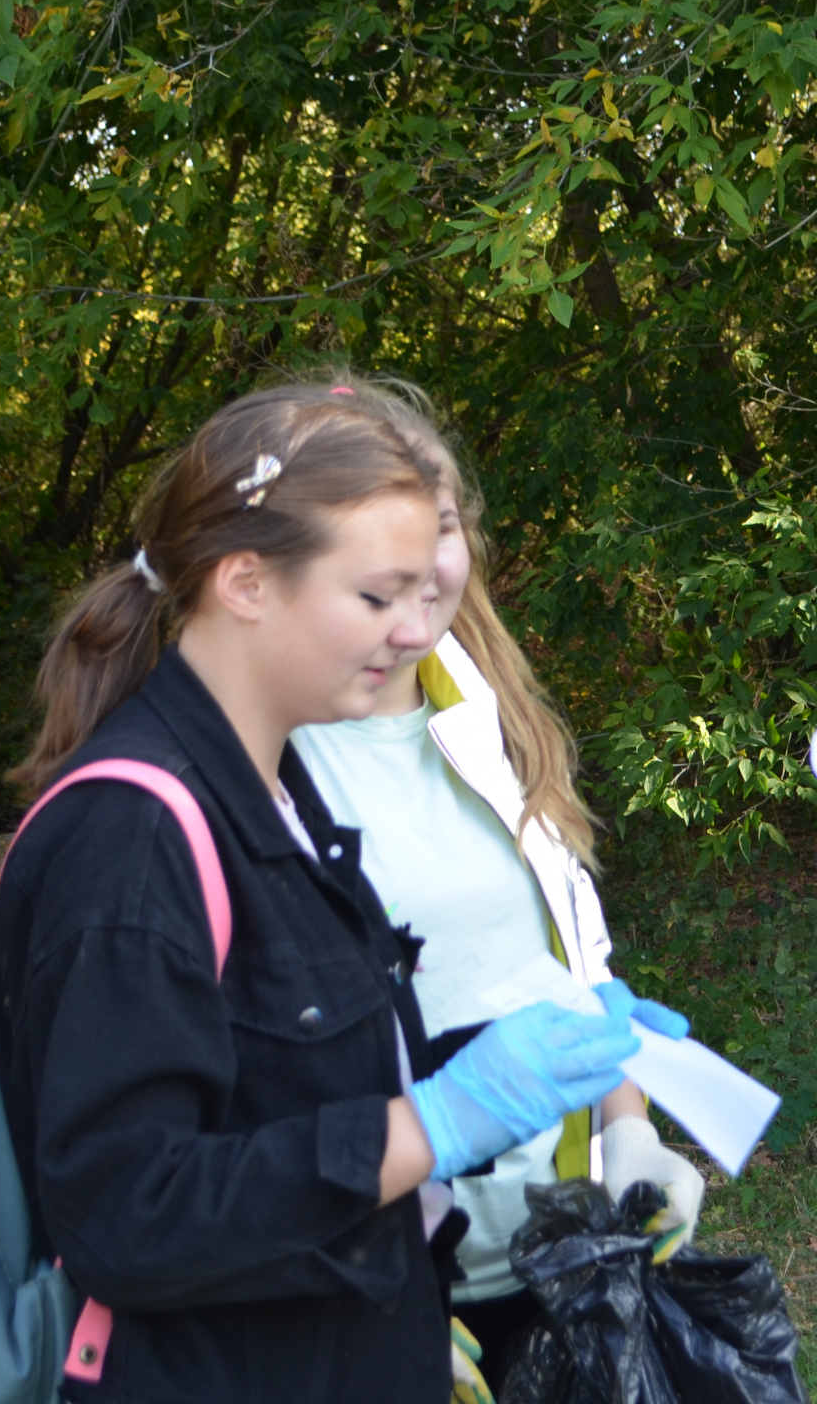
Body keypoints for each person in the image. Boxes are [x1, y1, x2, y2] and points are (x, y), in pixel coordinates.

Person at [0, 383, 680, 1404]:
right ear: (245, 582)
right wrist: (438, 1121)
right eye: (375, 598)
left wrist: (543, 1060)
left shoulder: (268, 788)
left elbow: (282, 1084)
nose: (415, 631)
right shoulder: (133, 837)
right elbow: (126, 1214)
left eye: (419, 591)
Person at [290, 377, 705, 1390]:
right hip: (373, 1282)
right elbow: (244, 1071)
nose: (417, 564)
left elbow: (571, 959)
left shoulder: (481, 705)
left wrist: (630, 1128)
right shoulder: (261, 755)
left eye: (437, 525)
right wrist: (347, 1296)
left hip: (552, 1259)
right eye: (372, 532)